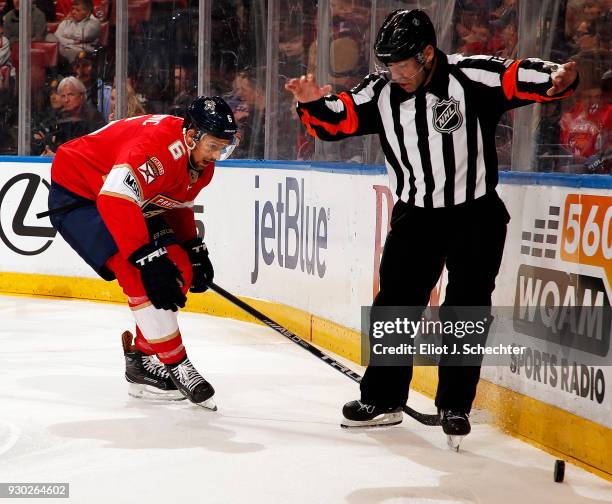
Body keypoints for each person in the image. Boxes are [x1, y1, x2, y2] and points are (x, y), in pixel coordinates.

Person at [285, 9, 578, 442]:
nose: (394, 74)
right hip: (416, 217)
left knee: (466, 309)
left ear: (426, 54)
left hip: (474, 215)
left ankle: (455, 404)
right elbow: (339, 117)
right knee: (395, 308)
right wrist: (311, 101)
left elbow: (523, 76)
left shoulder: (469, 75)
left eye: (402, 64)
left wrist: (558, 79)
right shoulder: (382, 90)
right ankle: (383, 399)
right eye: (387, 64)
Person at [46, 96, 239, 407]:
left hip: (121, 196)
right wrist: (146, 257)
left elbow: (176, 202)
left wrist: (192, 246)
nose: (217, 155)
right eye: (214, 146)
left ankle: (142, 361)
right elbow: (113, 200)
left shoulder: (200, 162)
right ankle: (177, 364)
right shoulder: (158, 153)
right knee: (137, 273)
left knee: (179, 270)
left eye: (225, 148)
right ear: (192, 137)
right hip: (82, 196)